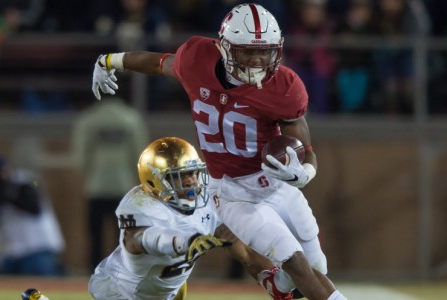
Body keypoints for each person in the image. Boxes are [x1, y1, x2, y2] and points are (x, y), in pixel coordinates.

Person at [91, 3, 347, 300]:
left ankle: (280, 286)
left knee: (316, 268)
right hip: (233, 192)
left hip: (277, 186)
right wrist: (110, 60)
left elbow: (307, 149)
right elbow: (158, 63)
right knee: (298, 264)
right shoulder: (197, 60)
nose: (256, 60)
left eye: (264, 51)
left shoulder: (284, 87)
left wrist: (304, 173)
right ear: (224, 48)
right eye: (247, 52)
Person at [88, 137, 277, 300]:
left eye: (193, 173)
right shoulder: (141, 206)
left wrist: (272, 279)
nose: (191, 181)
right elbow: (143, 239)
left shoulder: (207, 198)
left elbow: (240, 247)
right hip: (121, 293)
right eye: (179, 176)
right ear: (154, 181)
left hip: (167, 289)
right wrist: (185, 241)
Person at [72, 96, 150, 270]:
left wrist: (86, 176)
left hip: (96, 186)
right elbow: (139, 154)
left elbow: (81, 155)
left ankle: (94, 270)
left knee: (95, 237)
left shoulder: (89, 119)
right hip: (123, 188)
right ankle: (121, 271)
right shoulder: (131, 118)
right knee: (122, 237)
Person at [0, 154, 65, 276]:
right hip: (8, 254)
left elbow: (34, 208)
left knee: (37, 290)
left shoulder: (23, 181)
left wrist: (6, 193)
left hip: (36, 248)